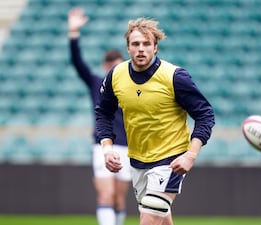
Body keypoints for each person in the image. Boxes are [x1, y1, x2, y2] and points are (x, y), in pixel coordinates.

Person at [95, 18, 215, 225]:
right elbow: (103, 113)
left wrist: (191, 154)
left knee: (149, 219)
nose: (141, 49)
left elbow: (205, 115)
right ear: (128, 47)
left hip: (170, 160)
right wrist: (107, 149)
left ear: (155, 47)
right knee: (161, 217)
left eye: (146, 44)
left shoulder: (175, 77)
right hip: (138, 160)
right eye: (135, 44)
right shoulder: (116, 75)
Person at [68, 8, 131, 225]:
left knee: (118, 199)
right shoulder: (97, 83)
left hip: (127, 146)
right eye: (112, 66)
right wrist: (73, 33)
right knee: (105, 195)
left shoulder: (133, 87)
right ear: (105, 67)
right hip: (102, 146)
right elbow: (78, 63)